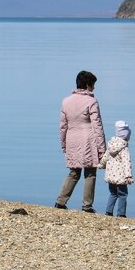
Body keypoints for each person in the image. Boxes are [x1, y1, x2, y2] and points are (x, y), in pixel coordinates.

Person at [55, 70, 105, 213]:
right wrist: (102, 148)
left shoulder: (66, 101)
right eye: (93, 85)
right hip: (89, 140)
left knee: (74, 172)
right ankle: (87, 206)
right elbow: (97, 126)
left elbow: (63, 126)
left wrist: (63, 143)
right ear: (88, 85)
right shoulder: (92, 101)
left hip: (72, 139)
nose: (94, 88)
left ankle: (60, 201)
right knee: (90, 173)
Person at [102, 120, 133, 217]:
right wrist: (128, 176)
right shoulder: (124, 148)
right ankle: (121, 214)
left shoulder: (111, 145)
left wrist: (101, 165)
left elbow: (105, 157)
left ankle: (108, 211)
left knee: (113, 194)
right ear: (126, 136)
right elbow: (126, 163)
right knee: (123, 195)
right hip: (120, 178)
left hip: (111, 176)